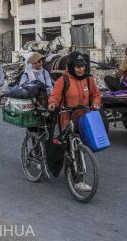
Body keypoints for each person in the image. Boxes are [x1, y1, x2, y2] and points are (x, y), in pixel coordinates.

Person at [48, 52, 102, 192]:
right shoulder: (63, 80)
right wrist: (53, 103)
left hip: (84, 119)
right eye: (78, 67)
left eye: (83, 66)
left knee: (80, 147)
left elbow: (96, 95)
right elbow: (55, 96)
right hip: (66, 118)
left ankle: (75, 168)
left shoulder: (88, 79)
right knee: (69, 148)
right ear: (71, 67)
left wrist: (96, 103)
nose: (81, 69)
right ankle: (77, 179)